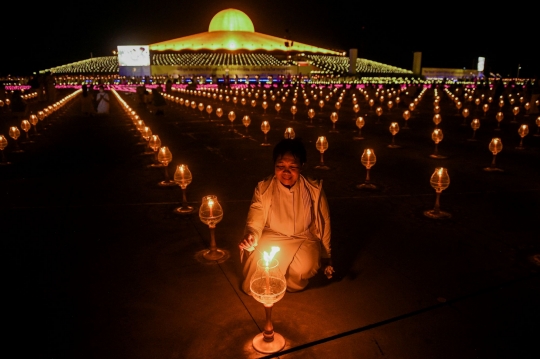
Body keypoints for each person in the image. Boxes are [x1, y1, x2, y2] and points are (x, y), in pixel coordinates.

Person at [239, 138, 334, 294]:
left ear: (302, 166)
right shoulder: (264, 188)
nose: (286, 172)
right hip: (273, 237)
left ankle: (285, 281)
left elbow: (325, 222)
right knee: (254, 285)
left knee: (304, 267)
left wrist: (326, 255)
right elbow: (255, 219)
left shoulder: (314, 189)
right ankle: (275, 278)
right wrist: (251, 236)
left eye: (293, 167)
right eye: (280, 166)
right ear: (274, 166)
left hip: (304, 238)